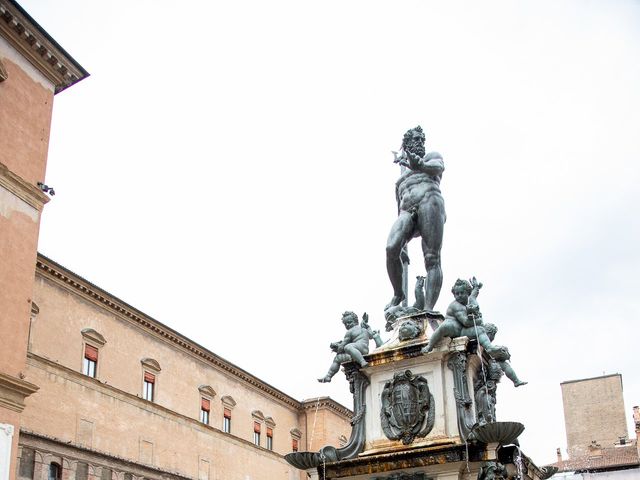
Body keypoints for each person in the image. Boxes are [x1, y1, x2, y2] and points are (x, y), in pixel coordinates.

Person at [386, 126, 446, 312]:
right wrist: (404, 244)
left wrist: (419, 165)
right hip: (406, 211)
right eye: (416, 140)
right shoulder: (401, 179)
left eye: (422, 140)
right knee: (391, 247)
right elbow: (399, 205)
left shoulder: (431, 157)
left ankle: (428, 308)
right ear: (407, 144)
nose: (420, 143)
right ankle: (398, 293)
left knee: (432, 258)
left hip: (430, 201)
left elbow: (438, 167)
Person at [420, 278, 494, 353]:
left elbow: (473, 298)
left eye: (462, 293)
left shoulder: (468, 303)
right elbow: (466, 322)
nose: (459, 295)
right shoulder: (455, 305)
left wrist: (475, 288)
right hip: (452, 328)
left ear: (468, 293)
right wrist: (478, 320)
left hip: (462, 330)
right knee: (443, 327)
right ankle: (429, 346)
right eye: (457, 293)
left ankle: (489, 348)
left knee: (480, 330)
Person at [318, 312, 381, 383]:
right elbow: (371, 336)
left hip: (358, 349)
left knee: (346, 348)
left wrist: (336, 347)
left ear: (355, 321)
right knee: (339, 357)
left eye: (349, 322)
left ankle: (362, 362)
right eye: (345, 324)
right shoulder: (364, 328)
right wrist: (368, 327)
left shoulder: (349, 332)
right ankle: (328, 376)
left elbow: (342, 346)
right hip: (363, 349)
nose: (347, 325)